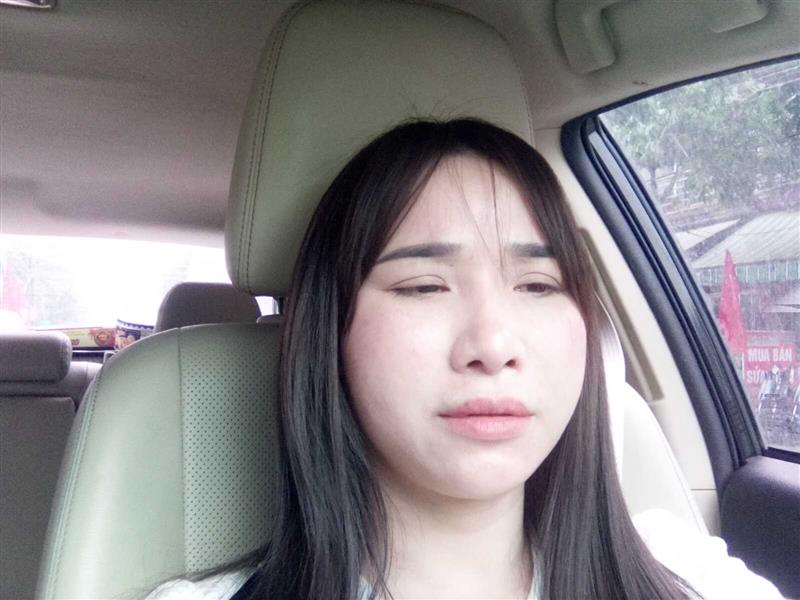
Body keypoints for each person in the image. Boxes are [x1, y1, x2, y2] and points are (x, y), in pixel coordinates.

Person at [147, 119, 782, 599]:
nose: (494, 346)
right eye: (424, 287)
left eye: (538, 285)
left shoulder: (692, 573)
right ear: (330, 334)